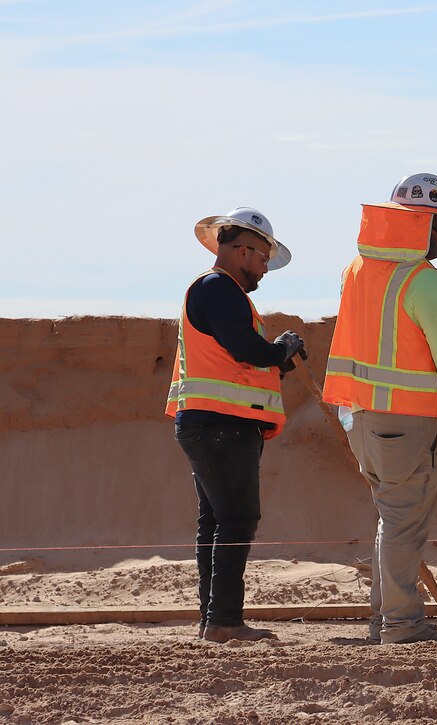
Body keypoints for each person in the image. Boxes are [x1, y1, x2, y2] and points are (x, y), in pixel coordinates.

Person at [323, 173, 437, 645]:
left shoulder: (356, 270)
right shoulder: (425, 282)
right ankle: (402, 624)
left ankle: (385, 619)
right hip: (409, 422)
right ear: (412, 224)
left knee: (391, 516)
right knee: (403, 521)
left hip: (361, 417)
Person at [166, 206, 306, 643]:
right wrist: (280, 349)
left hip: (211, 421)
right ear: (243, 251)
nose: (264, 271)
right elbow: (245, 348)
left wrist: (276, 361)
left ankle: (214, 619)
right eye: (263, 260)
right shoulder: (218, 289)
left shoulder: (217, 292)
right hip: (221, 423)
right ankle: (224, 620)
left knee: (216, 520)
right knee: (237, 517)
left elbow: (233, 359)